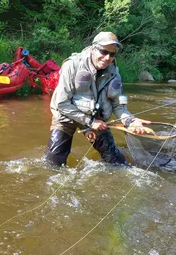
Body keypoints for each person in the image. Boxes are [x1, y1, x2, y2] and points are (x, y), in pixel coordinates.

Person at [44, 31, 151, 166]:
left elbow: (120, 104)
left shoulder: (115, 72)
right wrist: (90, 121)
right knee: (52, 164)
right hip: (66, 116)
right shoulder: (72, 65)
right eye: (104, 51)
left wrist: (130, 120)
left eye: (112, 54)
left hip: (96, 118)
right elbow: (62, 104)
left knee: (117, 163)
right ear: (93, 49)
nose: (107, 58)